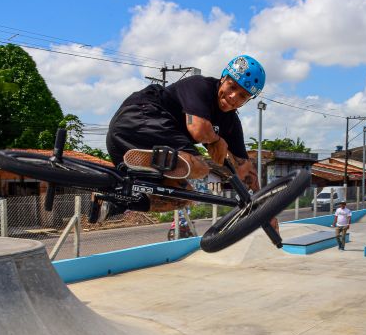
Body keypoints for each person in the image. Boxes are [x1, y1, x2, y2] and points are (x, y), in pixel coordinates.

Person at [104, 55, 265, 215]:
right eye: (232, 87)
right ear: (223, 78)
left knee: (183, 196)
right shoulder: (201, 86)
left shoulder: (231, 124)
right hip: (141, 114)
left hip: (120, 146)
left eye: (242, 95)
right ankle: (157, 158)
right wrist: (216, 141)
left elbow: (246, 169)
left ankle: (116, 204)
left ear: (248, 99)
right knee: (200, 168)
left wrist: (266, 210)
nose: (233, 97)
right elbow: (198, 129)